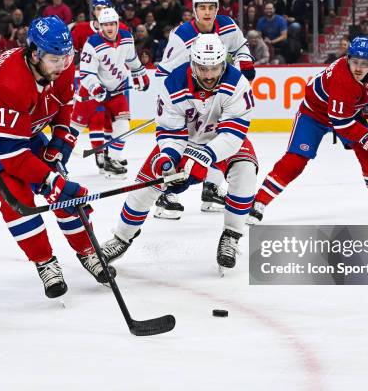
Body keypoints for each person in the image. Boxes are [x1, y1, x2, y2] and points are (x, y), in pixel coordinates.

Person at [0, 16, 114, 299]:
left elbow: (64, 104)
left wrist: (61, 139)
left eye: (66, 58)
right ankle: (44, 261)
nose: (62, 66)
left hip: (23, 124)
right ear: (34, 53)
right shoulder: (11, 83)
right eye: (54, 59)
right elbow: (12, 156)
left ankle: (88, 251)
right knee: (16, 196)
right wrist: (52, 181)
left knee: (61, 188)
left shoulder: (60, 63)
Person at [101, 34, 257, 271]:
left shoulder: (237, 84)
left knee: (245, 171)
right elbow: (170, 133)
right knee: (149, 180)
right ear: (193, 63)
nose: (208, 75)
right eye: (203, 68)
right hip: (185, 141)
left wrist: (202, 158)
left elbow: (232, 135)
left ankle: (231, 235)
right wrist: (168, 160)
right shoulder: (174, 82)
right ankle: (121, 237)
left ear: (223, 63)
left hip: (221, 142)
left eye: (214, 67)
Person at [247, 37, 368, 224]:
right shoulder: (342, 80)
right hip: (315, 114)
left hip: (346, 110)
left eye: (364, 64)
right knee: (295, 160)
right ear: (348, 58)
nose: (358, 68)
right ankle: (259, 201)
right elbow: (342, 124)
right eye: (355, 62)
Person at [154, 0, 255, 220]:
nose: (207, 12)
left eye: (211, 7)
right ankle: (167, 193)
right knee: (183, 145)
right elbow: (163, 73)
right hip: (188, 100)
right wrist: (171, 102)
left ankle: (210, 189)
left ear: (217, 8)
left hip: (217, 97)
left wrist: (245, 60)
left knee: (223, 140)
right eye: (202, 7)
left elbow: (241, 46)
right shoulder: (181, 37)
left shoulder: (228, 25)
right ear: (194, 9)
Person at [73, 8, 150, 178]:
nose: (109, 28)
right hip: (92, 91)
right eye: (105, 24)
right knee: (74, 128)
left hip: (116, 89)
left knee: (123, 125)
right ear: (100, 26)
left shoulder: (127, 38)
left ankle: (111, 160)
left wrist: (141, 74)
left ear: (117, 24)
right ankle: (57, 157)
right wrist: (97, 88)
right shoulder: (92, 43)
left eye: (112, 24)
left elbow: (132, 61)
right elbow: (86, 73)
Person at [70, 0, 130, 174]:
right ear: (93, 11)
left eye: (104, 8)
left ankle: (110, 155)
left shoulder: (122, 29)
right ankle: (98, 153)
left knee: (115, 122)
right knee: (95, 117)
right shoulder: (81, 29)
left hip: (113, 84)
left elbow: (127, 52)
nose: (101, 11)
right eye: (97, 8)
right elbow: (70, 53)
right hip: (91, 82)